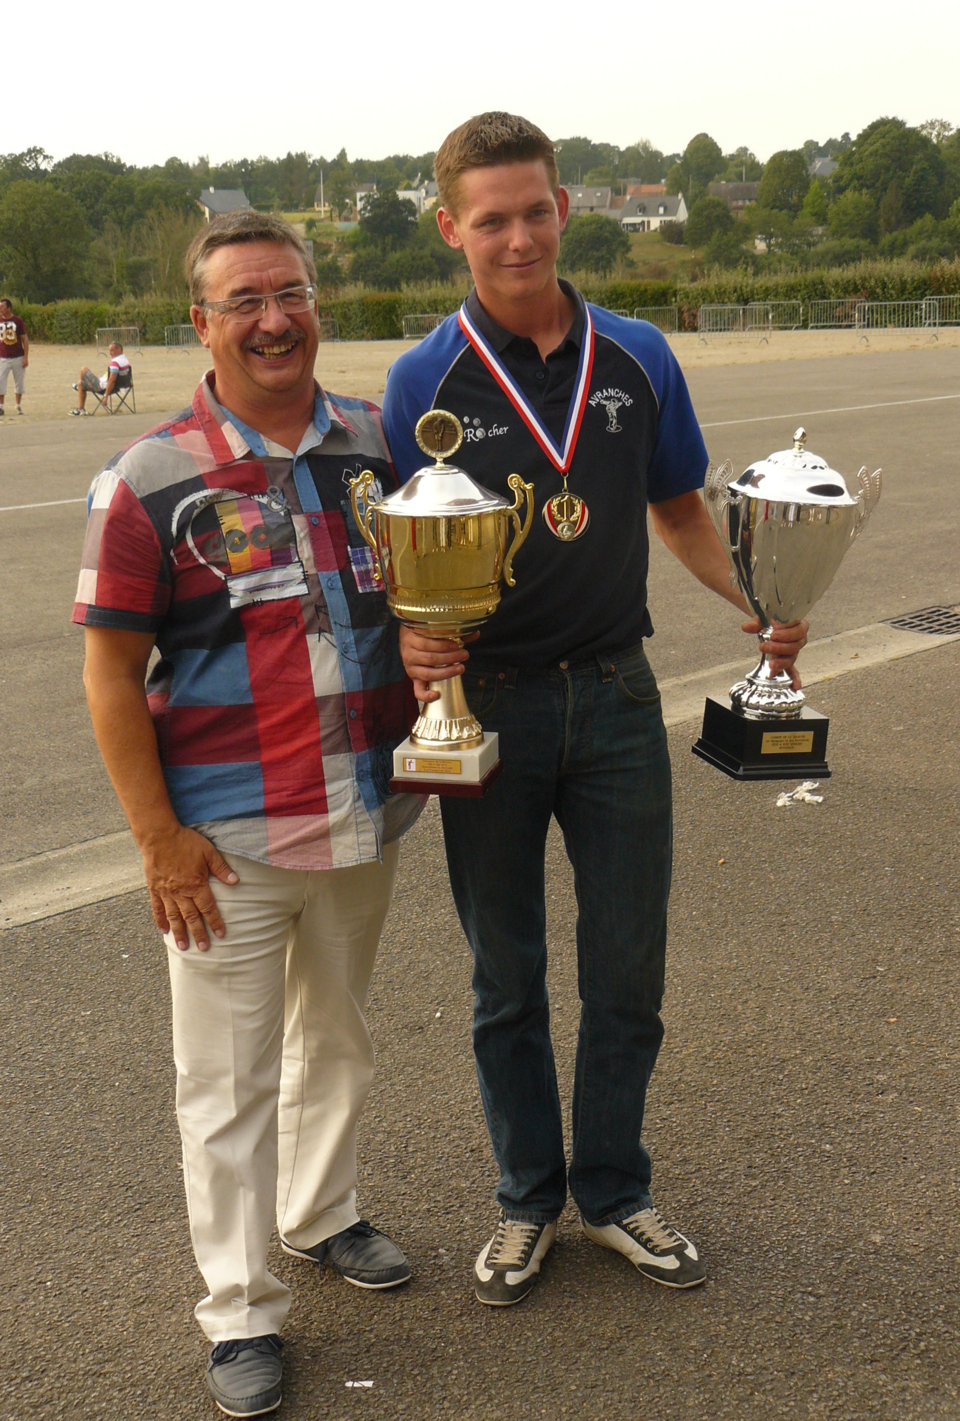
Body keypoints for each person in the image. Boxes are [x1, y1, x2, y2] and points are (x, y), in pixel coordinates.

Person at [382, 113, 808, 1308]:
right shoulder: (425, 376)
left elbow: (678, 508)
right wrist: (417, 636)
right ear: (451, 228)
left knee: (628, 972)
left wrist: (760, 597)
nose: (517, 236)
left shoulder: (639, 354)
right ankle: (527, 1199)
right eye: (490, 218)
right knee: (504, 978)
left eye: (535, 210)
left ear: (564, 207)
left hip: (619, 698)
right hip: (491, 709)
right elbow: (407, 560)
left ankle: (614, 1189)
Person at [74, 212, 423, 1417]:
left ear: (316, 300)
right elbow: (113, 676)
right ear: (203, 324)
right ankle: (237, 1307)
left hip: (365, 810)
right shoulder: (151, 478)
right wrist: (156, 839)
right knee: (222, 1083)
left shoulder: (380, 447)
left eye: (292, 293)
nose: (274, 320)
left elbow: (426, 607)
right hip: (224, 840)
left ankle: (323, 1215)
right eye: (245, 302)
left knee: (339, 1038)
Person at [68, 341, 130, 415]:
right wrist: (128, 383)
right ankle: (80, 393)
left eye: (112, 350)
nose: (110, 353)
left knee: (83, 370)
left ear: (119, 349)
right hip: (120, 386)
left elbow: (112, 380)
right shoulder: (125, 360)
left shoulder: (115, 363)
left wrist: (105, 396)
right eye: (109, 350)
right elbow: (126, 374)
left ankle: (80, 405)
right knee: (81, 383)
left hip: (102, 388)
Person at [0, 296, 28, 416]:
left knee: (19, 382)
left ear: (9, 308)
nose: (0, 308)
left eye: (2, 306)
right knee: (0, 382)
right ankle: (1, 406)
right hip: (3, 357)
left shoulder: (18, 321)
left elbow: (24, 339)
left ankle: (18, 406)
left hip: (17, 356)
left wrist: (25, 357)